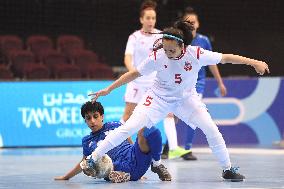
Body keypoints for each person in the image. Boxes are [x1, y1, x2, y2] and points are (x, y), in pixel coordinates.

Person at [89, 20, 269, 182]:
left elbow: (226, 58)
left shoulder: (196, 54)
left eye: (172, 50)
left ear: (182, 46)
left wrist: (254, 62)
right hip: (158, 98)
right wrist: (109, 89)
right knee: (129, 127)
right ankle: (93, 158)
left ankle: (227, 169)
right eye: (165, 49)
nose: (167, 53)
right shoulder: (158, 56)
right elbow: (134, 73)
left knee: (211, 129)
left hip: (186, 99)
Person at [122, 0, 188, 159]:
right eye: (148, 18)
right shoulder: (134, 37)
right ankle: (125, 145)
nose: (151, 21)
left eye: (153, 18)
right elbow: (127, 58)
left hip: (155, 83)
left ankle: (173, 148)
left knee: (169, 114)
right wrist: (134, 73)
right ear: (141, 19)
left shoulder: (161, 37)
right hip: (137, 82)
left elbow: (171, 57)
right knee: (127, 116)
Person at [162, 7, 227, 160]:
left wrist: (220, 82)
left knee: (194, 114)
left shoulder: (203, 41)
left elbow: (213, 62)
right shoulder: (176, 40)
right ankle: (169, 147)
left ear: (198, 24)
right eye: (188, 22)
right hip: (177, 82)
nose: (191, 24)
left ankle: (187, 149)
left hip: (197, 83)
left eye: (194, 22)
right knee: (173, 116)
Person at [54, 101, 172, 182]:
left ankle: (157, 164)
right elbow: (85, 162)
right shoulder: (87, 141)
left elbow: (130, 143)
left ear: (102, 117)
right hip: (116, 168)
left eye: (95, 116)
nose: (92, 121)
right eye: (88, 118)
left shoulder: (115, 125)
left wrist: (137, 156)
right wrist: (66, 177)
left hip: (137, 159)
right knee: (100, 167)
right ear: (85, 121)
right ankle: (121, 175)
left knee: (148, 129)